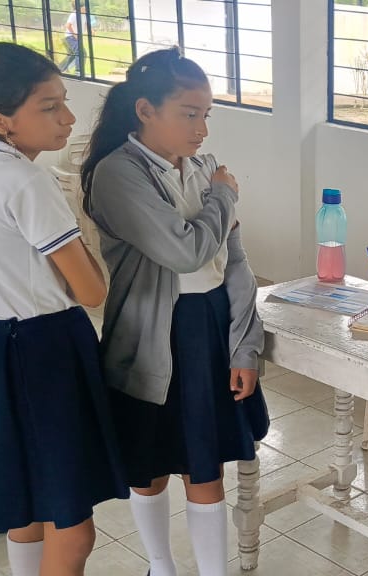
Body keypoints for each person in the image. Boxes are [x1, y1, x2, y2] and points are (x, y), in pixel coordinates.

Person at [0, 43, 123, 576]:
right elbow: (91, 292)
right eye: (50, 106)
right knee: (73, 527)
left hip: (1, 341)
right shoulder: (26, 181)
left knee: (28, 506)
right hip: (48, 350)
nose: (69, 118)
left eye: (64, 101)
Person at [81, 48, 268, 576]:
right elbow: (185, 252)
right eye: (189, 114)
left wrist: (245, 345)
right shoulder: (119, 173)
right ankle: (160, 567)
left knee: (205, 467)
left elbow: (234, 260)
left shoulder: (204, 167)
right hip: (151, 336)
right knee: (151, 466)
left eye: (206, 114)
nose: (202, 129)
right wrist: (224, 198)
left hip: (208, 325)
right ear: (145, 109)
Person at [57, 1, 85, 74]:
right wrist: (74, 34)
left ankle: (60, 69)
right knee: (81, 52)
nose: (86, 9)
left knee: (72, 55)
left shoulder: (83, 15)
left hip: (74, 37)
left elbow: (86, 24)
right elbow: (68, 25)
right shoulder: (74, 14)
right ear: (80, 8)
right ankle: (78, 71)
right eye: (84, 7)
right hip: (70, 37)